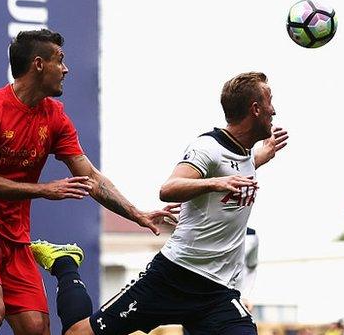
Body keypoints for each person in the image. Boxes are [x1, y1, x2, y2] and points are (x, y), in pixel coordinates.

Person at [0, 29, 177, 335]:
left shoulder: (55, 117)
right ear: (38, 64)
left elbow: (90, 176)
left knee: (37, 328)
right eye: (60, 60)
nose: (66, 69)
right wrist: (44, 191)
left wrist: (137, 213)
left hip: (15, 238)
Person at [31, 71, 288, 335]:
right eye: (270, 101)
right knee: (79, 334)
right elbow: (169, 188)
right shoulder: (207, 147)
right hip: (173, 277)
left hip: (218, 292)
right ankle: (65, 263)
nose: (274, 110)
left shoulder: (244, 154)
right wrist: (215, 183)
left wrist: (259, 157)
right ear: (255, 109)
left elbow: (233, 168)